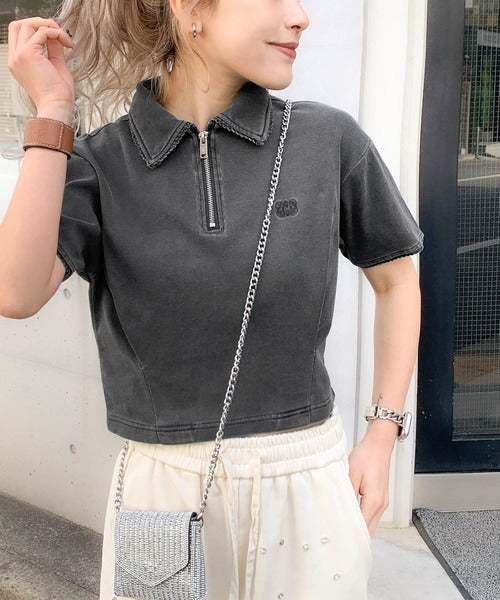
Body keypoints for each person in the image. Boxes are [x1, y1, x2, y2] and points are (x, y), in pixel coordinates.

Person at [3, 1, 424, 598]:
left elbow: (396, 279)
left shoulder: (326, 140)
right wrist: (52, 112)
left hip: (306, 483)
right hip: (161, 490)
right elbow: (15, 292)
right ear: (188, 8)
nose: (300, 17)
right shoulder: (102, 163)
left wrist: (382, 439)